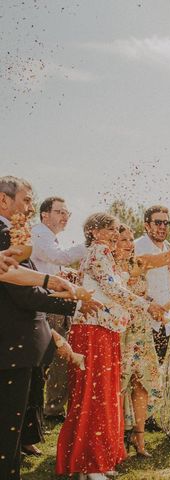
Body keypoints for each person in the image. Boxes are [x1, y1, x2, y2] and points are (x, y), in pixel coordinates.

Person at [56, 213, 165, 480]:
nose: (116, 234)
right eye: (112, 229)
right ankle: (90, 464)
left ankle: (93, 460)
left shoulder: (103, 254)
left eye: (118, 230)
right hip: (92, 331)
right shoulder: (97, 253)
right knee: (94, 395)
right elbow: (113, 289)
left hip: (105, 330)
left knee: (104, 395)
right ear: (94, 232)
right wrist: (145, 305)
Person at [0, 176, 90, 480]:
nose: (29, 206)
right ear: (4, 201)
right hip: (11, 342)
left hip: (16, 341)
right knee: (6, 431)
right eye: (26, 200)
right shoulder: (6, 234)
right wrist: (63, 290)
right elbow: (19, 286)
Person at [115, 224, 170, 457]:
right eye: (123, 240)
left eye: (131, 239)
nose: (130, 244)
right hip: (121, 332)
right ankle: (117, 435)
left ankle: (138, 438)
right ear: (113, 242)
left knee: (142, 383)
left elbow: (163, 261)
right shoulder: (110, 267)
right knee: (119, 386)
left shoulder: (137, 263)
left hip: (141, 332)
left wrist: (156, 307)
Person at [31, 196, 86, 422]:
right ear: (45, 214)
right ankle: (49, 409)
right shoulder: (39, 234)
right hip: (46, 304)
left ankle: (52, 407)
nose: (65, 217)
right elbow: (58, 257)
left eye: (67, 213)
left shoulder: (50, 238)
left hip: (54, 301)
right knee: (53, 356)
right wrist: (90, 244)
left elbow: (54, 263)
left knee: (59, 357)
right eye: (60, 212)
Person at [134, 205, 170, 364]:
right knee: (138, 375)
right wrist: (149, 304)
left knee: (157, 370)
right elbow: (130, 284)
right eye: (158, 222)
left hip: (164, 322)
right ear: (147, 225)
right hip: (142, 320)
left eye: (166, 223)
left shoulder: (169, 248)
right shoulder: (137, 247)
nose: (162, 227)